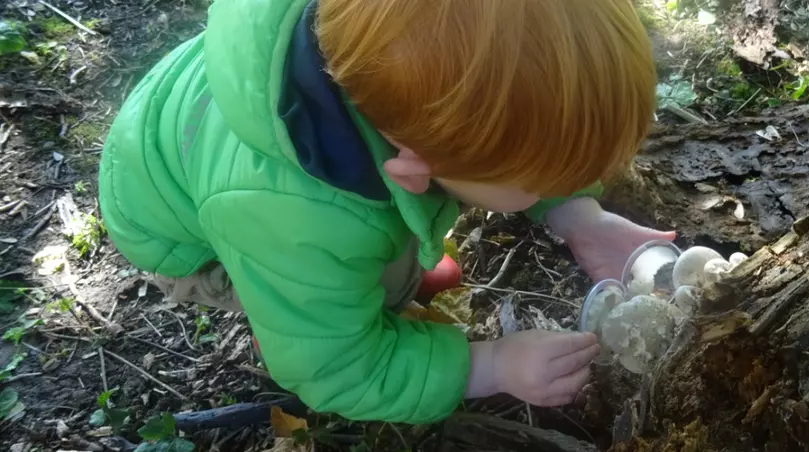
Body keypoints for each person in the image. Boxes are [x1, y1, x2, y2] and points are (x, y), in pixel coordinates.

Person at [97, 0, 674, 424]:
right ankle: (355, 294)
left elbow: (516, 131)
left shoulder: (379, 53)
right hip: (178, 232)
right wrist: (491, 366)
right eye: (549, 180)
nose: (571, 183)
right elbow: (337, 368)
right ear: (415, 171)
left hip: (191, 118)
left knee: (366, 248)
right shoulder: (296, 220)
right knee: (335, 284)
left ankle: (383, 276)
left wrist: (579, 218)